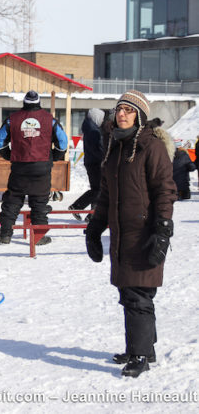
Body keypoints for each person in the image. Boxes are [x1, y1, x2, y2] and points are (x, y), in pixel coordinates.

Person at [85, 90, 176, 378]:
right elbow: (106, 194)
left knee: (138, 294)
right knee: (129, 291)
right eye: (119, 109)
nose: (121, 114)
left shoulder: (151, 147)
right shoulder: (115, 147)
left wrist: (162, 231)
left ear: (140, 117)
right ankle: (143, 347)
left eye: (129, 110)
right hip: (122, 233)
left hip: (144, 232)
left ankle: (140, 354)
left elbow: (165, 190)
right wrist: (95, 228)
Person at [0, 90, 68, 245]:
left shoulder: (12, 119)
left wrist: (9, 155)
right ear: (39, 102)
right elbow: (63, 143)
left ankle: (5, 235)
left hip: (19, 167)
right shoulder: (50, 120)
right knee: (39, 203)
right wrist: (53, 157)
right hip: (42, 168)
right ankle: (39, 237)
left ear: (24, 102)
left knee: (13, 201)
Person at [68, 108, 105, 220]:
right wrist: (104, 158)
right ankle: (83, 209)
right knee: (98, 189)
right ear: (96, 118)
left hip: (92, 161)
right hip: (95, 162)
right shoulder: (93, 130)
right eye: (101, 118)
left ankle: (89, 213)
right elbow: (97, 148)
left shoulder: (90, 127)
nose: (102, 121)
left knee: (97, 189)